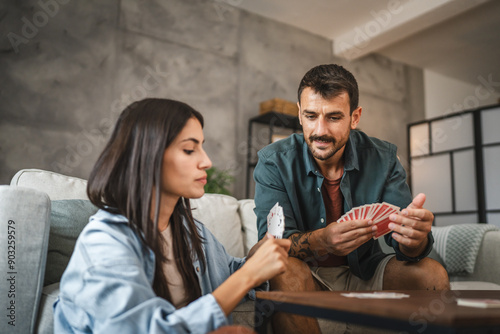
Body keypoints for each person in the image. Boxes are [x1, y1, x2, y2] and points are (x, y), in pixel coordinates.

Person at [53, 98, 291, 333]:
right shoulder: (105, 243)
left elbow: (228, 274)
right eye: (189, 149)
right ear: (149, 155)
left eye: (202, 146)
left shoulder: (192, 232)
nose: (207, 161)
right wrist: (248, 277)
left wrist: (257, 260)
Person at [253, 64, 449, 333]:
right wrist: (323, 240)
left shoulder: (384, 158)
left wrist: (416, 239)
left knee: (431, 273)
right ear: (299, 113)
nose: (320, 130)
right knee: (282, 267)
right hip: (306, 275)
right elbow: (271, 244)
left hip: (364, 272)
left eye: (334, 117)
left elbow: (406, 247)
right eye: (311, 116)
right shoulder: (273, 162)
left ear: (354, 117)